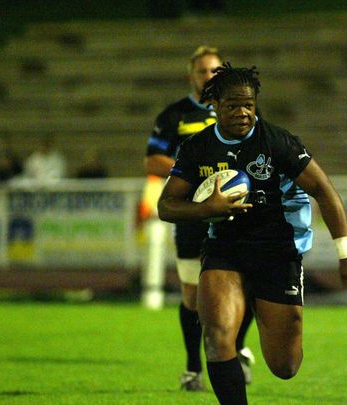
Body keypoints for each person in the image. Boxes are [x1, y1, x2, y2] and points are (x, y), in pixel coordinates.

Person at [157, 63, 347, 405]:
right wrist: (205, 210)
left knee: (285, 365)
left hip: (277, 251)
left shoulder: (277, 142)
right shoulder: (198, 148)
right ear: (215, 105)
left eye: (249, 105)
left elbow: (324, 190)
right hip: (224, 248)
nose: (242, 113)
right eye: (232, 106)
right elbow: (166, 206)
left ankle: (260, 304)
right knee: (216, 337)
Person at [143, 46, 256, 391]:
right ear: (191, 75)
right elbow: (152, 162)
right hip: (192, 215)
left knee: (248, 289)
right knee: (193, 297)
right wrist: (191, 172)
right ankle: (194, 369)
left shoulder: (237, 109)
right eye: (202, 71)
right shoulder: (173, 115)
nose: (209, 77)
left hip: (237, 214)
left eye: (214, 71)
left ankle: (234, 347)